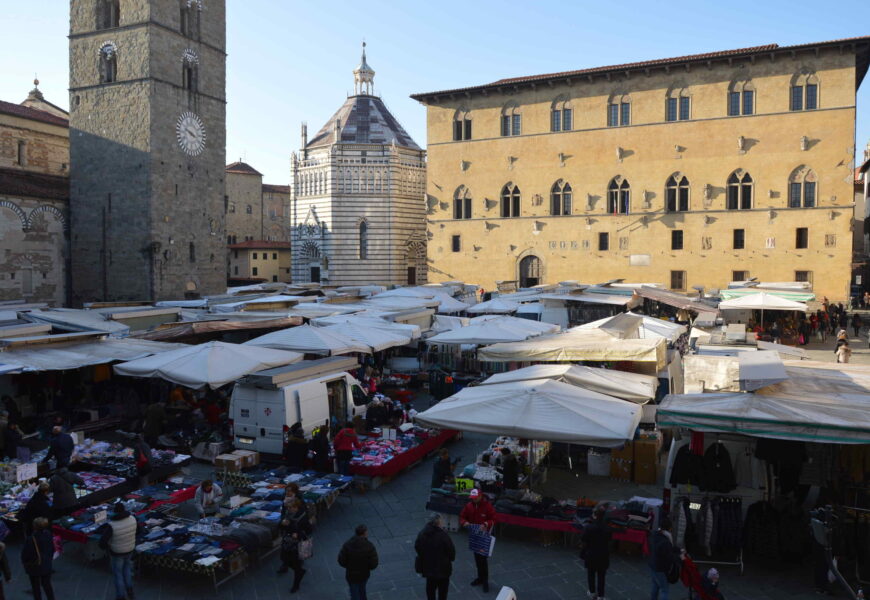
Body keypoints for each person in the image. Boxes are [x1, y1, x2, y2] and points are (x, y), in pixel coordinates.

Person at [99, 502, 138, 600]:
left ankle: (121, 596)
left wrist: (107, 547)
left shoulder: (112, 525)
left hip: (117, 552)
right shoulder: (132, 519)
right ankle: (130, 592)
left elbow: (103, 542)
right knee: (127, 569)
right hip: (130, 549)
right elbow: (139, 531)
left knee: (118, 574)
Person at [459, 489, 496, 593]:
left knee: (483, 560)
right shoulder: (469, 506)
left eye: (475, 498)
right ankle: (480, 578)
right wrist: (464, 522)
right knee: (477, 559)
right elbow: (462, 516)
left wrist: (486, 524)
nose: (473, 500)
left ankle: (485, 581)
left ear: (480, 496)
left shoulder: (488, 506)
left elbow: (494, 518)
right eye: (472, 498)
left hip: (484, 537)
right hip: (474, 537)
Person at [415, 514, 456, 600]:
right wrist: (450, 559)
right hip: (443, 569)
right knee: (442, 592)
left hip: (428, 569)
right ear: (438, 523)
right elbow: (451, 552)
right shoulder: (443, 536)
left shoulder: (422, 533)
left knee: (430, 590)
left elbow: (417, 547)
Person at [278, 498, 312, 593]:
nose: (288, 509)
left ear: (296, 507)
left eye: (290, 507)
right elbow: (281, 526)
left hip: (298, 544)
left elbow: (309, 530)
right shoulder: (287, 514)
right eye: (287, 507)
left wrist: (298, 534)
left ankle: (296, 584)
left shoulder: (303, 517)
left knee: (296, 564)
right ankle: (298, 570)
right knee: (284, 558)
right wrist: (282, 524)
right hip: (287, 542)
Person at [338, 524, 379, 600]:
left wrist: (348, 565)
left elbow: (341, 560)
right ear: (365, 533)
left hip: (351, 575)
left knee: (354, 593)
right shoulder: (369, 546)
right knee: (362, 590)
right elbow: (374, 564)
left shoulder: (347, 545)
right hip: (364, 574)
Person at [581, 505, 612, 600]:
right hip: (603, 555)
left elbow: (583, 539)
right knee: (601, 576)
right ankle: (601, 596)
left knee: (591, 574)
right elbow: (609, 540)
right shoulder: (607, 528)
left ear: (595, 515)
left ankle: (592, 592)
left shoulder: (589, 527)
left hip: (591, 554)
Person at [21, 517, 55, 600]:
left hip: (35, 565)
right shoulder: (48, 534)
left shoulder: (31, 539)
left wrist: (25, 562)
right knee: (47, 584)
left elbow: (26, 553)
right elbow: (52, 548)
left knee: (35, 587)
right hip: (46, 563)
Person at [649, 516, 680, 600]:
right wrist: (679, 557)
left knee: (655, 585)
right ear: (669, 528)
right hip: (661, 568)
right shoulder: (666, 541)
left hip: (653, 565)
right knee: (664, 590)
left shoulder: (656, 535)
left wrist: (679, 550)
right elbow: (669, 556)